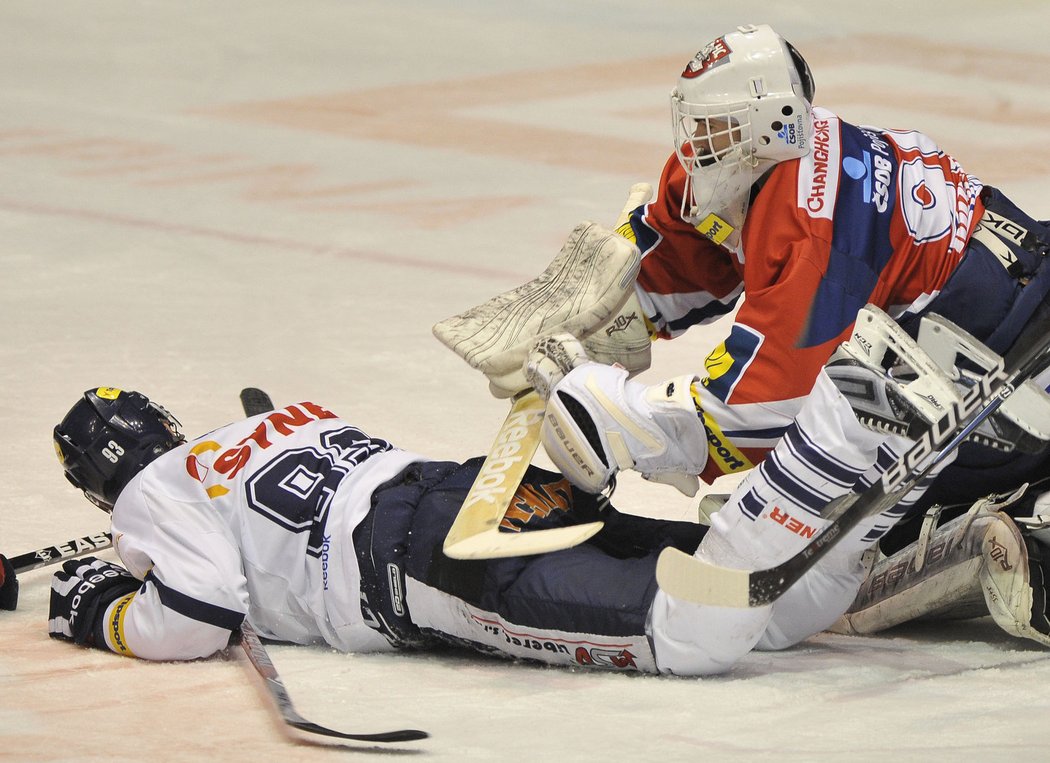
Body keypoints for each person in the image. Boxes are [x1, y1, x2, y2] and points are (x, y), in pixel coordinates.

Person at [432, 23, 1050, 674]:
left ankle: (1013, 520)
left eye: (717, 129)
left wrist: (627, 423)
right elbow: (688, 249)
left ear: (776, 122)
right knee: (803, 495)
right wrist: (607, 305)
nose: (700, 146)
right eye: (695, 127)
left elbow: (767, 403)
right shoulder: (767, 163)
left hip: (1009, 356)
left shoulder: (813, 220)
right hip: (991, 320)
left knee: (819, 537)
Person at [49, 386, 708, 672]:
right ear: (164, 422)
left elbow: (199, 613)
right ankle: (801, 558)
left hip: (411, 557)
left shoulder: (150, 491)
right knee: (694, 557)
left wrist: (102, 607)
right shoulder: (249, 432)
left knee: (680, 623)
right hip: (462, 482)